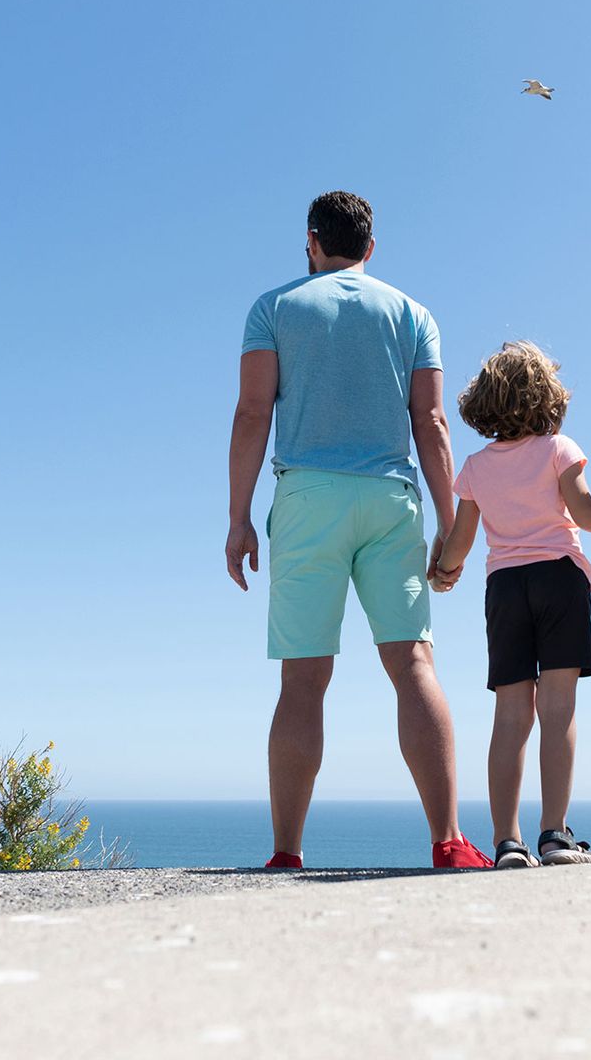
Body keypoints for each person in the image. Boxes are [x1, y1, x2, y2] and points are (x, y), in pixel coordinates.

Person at [225, 190, 493, 870]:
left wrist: (238, 518)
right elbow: (430, 424)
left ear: (312, 241)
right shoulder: (412, 314)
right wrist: (451, 518)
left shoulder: (274, 308)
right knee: (412, 664)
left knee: (303, 678)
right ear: (370, 249)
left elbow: (253, 413)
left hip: (307, 497)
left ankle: (287, 853)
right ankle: (450, 841)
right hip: (391, 497)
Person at [430, 342, 591, 868]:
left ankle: (508, 841)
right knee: (558, 710)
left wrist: (443, 573)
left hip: (505, 587)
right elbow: (585, 512)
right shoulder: (559, 449)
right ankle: (554, 834)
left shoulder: (476, 467)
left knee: (510, 715)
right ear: (547, 398)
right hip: (560, 580)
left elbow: (461, 541)